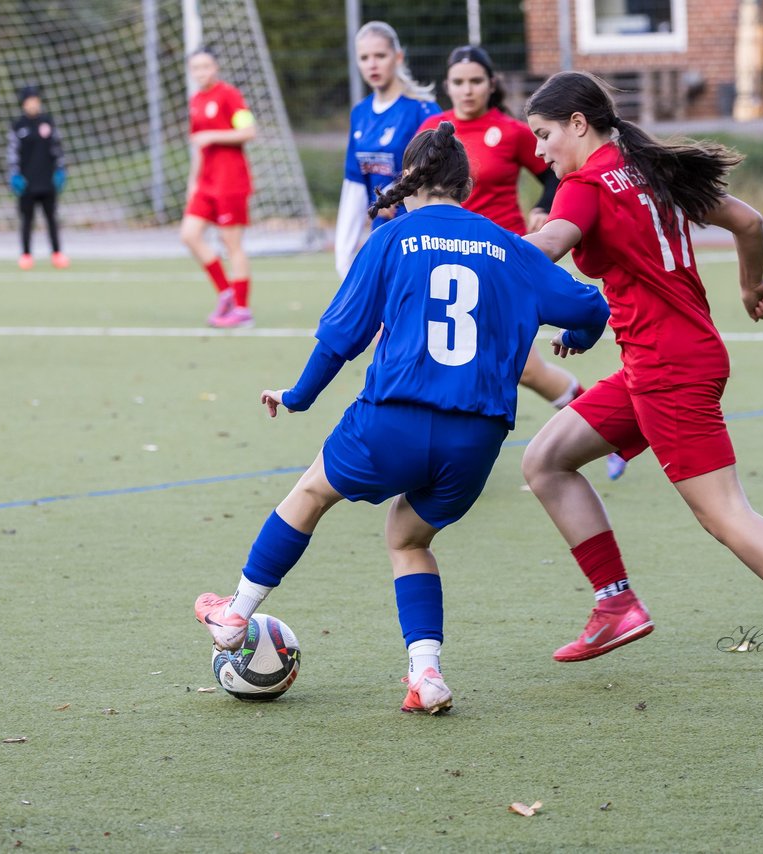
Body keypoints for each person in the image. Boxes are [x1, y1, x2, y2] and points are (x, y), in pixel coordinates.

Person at [195, 122, 610, 714]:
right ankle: (427, 675)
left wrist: (298, 397)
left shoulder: (391, 240)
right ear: (466, 185)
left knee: (311, 494)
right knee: (409, 537)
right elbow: (590, 304)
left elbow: (341, 339)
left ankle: (235, 616)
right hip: (478, 437)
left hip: (393, 419)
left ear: (406, 181)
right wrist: (576, 335)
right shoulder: (512, 247)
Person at [519, 71, 763, 698]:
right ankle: (616, 605)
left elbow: (548, 244)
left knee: (723, 513)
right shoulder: (651, 170)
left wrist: (472, 252)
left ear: (578, 124)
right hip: (665, 360)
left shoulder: (584, 186)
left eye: (545, 134)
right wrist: (751, 284)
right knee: (546, 461)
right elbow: (749, 221)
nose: (540, 151)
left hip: (668, 369)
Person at [418, 46, 629, 479]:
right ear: (447, 85)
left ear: (490, 84)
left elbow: (556, 175)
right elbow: (415, 187)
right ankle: (437, 455)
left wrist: (544, 209)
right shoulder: (432, 129)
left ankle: (607, 433)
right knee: (442, 355)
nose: (467, 89)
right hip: (446, 263)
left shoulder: (512, 132)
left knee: (525, 369)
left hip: (505, 260)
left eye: (476, 80)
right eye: (458, 81)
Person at [334, 21, 440, 280]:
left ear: (398, 57)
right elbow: (355, 184)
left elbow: (442, 175)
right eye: (364, 57)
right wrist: (344, 254)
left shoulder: (423, 109)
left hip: (420, 234)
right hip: (382, 233)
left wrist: (400, 198)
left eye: (380, 55)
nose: (372, 64)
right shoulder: (360, 113)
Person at [181, 48, 257, 329]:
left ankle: (242, 309)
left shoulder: (229, 95)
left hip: (231, 181)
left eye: (205, 66)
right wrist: (193, 183)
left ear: (215, 67)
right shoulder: (196, 101)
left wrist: (213, 134)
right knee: (189, 234)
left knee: (231, 244)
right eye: (196, 68)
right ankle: (226, 292)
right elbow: (199, 148)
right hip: (206, 183)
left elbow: (248, 132)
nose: (201, 72)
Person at [7, 85, 68, 271]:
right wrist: (14, 175)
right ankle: (26, 255)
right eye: (29, 101)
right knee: (27, 220)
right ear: (24, 104)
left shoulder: (48, 123)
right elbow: (12, 153)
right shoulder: (18, 126)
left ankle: (57, 253)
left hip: (47, 181)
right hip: (27, 183)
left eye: (35, 100)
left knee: (51, 219)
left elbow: (57, 149)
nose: (33, 104)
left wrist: (60, 170)